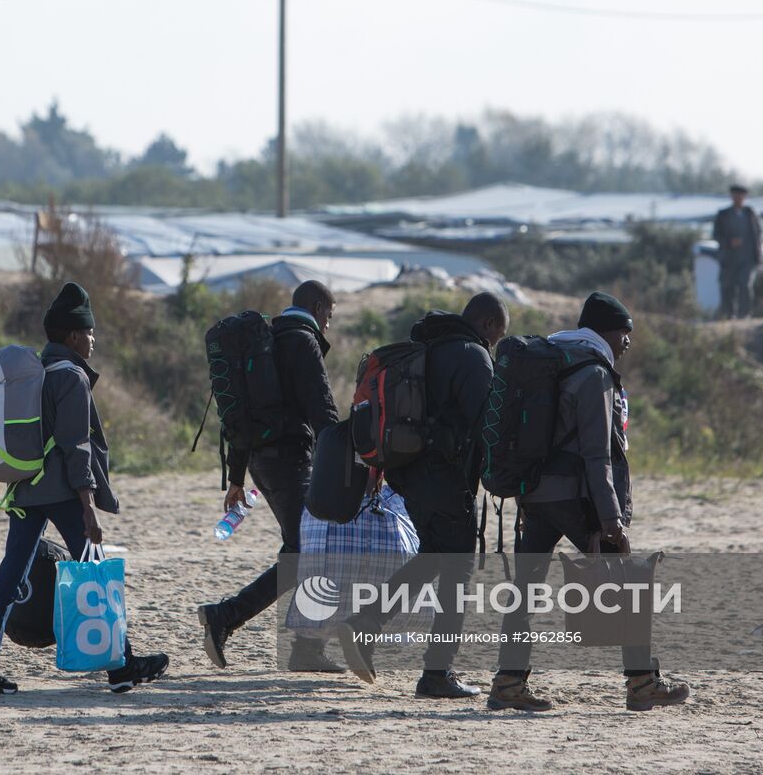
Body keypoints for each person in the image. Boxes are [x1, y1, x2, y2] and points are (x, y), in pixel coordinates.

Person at [0, 282, 169, 695]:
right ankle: (122, 665)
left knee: (9, 579)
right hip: (62, 492)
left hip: (25, 489)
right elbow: (77, 445)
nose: (93, 340)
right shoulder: (70, 376)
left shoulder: (34, 373)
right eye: (89, 333)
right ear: (73, 335)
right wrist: (88, 505)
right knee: (95, 568)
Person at [488, 291, 691, 713]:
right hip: (575, 496)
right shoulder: (594, 374)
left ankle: (508, 682)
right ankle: (642, 683)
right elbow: (598, 454)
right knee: (630, 580)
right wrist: (612, 519)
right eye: (624, 334)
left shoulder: (554, 357)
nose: (627, 343)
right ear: (606, 332)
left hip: (534, 494)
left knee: (524, 589)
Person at [337, 292, 508, 699]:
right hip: (445, 480)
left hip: (409, 475)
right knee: (457, 571)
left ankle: (366, 623)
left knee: (433, 556)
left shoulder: (425, 348)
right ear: (487, 324)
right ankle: (436, 674)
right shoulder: (473, 356)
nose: (495, 344)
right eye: (498, 336)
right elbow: (487, 425)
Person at [198, 280, 343, 673]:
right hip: (290, 461)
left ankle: (299, 645)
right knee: (311, 550)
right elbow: (323, 412)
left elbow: (244, 415)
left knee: (303, 551)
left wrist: (236, 477)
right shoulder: (302, 341)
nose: (327, 326)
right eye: (328, 316)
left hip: (264, 462)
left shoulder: (266, 339)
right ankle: (228, 617)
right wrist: (346, 460)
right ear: (316, 307)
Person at [712, 184, 763, 319]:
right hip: (729, 258)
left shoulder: (751, 215)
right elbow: (716, 235)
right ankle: (728, 315)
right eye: (735, 195)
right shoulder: (723, 215)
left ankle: (744, 314)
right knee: (727, 287)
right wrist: (729, 242)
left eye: (740, 195)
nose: (738, 198)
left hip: (747, 258)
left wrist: (758, 255)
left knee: (745, 285)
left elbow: (758, 235)